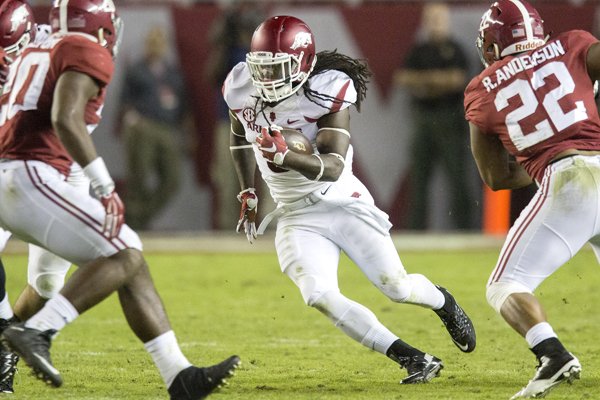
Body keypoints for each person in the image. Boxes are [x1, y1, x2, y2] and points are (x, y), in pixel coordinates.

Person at [0, 1, 240, 398]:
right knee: (123, 253)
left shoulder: (37, 49)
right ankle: (36, 331)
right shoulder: (82, 48)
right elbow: (65, 118)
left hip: (31, 172)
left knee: (127, 259)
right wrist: (104, 186)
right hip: (28, 173)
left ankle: (179, 376)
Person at [224, 15, 476, 384]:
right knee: (318, 294)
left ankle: (443, 302)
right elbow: (238, 136)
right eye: (262, 69)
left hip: (341, 200)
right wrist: (248, 189)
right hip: (295, 214)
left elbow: (333, 165)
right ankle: (413, 358)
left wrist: (287, 156)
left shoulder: (326, 89)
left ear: (303, 64)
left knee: (397, 287)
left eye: (278, 69)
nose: (267, 80)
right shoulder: (240, 86)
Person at [464, 0, 600, 397]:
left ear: (490, 47)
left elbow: (497, 176)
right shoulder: (574, 44)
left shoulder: (481, 89)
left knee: (506, 284)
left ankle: (553, 355)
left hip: (568, 182)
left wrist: (544, 154)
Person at [394, 2, 475, 231]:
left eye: (439, 18)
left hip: (450, 119)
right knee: (419, 181)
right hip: (423, 119)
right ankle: (416, 232)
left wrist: (424, 82)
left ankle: (465, 230)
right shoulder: (419, 50)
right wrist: (438, 81)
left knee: (457, 177)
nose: (435, 23)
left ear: (447, 20)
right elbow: (402, 78)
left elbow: (457, 80)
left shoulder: (455, 49)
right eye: (431, 19)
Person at [204, 3, 271, 230]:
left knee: (273, 175)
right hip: (231, 123)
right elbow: (211, 75)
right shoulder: (228, 53)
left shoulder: (266, 52)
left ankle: (273, 226)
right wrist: (224, 40)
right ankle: (229, 229)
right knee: (229, 180)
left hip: (264, 122)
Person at [120, 26, 189, 230]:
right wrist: (132, 121)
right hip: (144, 125)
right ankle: (134, 222)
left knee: (172, 179)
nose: (155, 46)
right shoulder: (136, 70)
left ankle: (138, 218)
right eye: (152, 41)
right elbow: (126, 101)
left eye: (159, 41)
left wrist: (186, 132)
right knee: (139, 177)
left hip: (168, 128)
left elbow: (184, 104)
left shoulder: (172, 72)